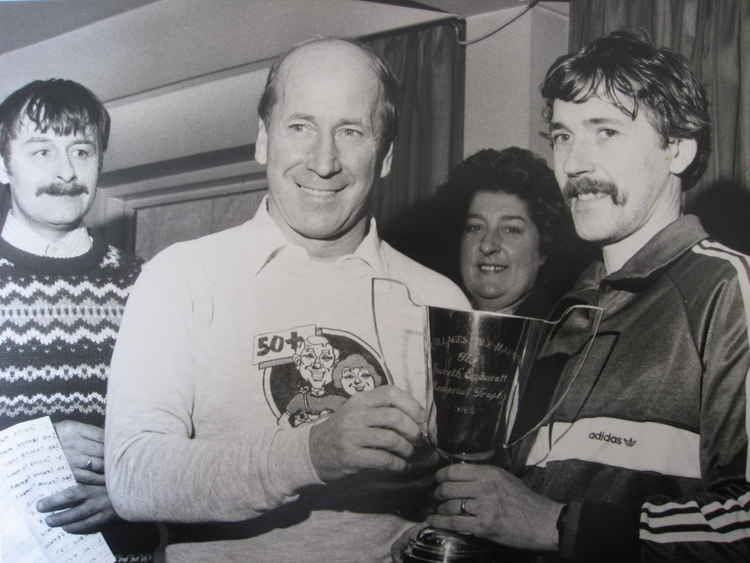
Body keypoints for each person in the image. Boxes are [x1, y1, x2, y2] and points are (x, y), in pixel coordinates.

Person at [104, 37, 469, 563]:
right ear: (262, 141)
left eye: (351, 131)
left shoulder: (440, 301)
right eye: (300, 127)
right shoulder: (180, 278)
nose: (324, 162)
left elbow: (459, 489)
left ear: (385, 156)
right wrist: (311, 454)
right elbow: (133, 477)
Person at [416, 30, 750, 562]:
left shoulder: (729, 290)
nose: (573, 165)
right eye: (563, 137)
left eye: (606, 132)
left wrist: (554, 524)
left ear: (678, 149)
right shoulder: (567, 307)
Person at [0, 79, 158, 560]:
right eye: (41, 151)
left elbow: (188, 430)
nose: (66, 171)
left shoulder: (149, 285)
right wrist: (31, 455)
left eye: (82, 151)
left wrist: (132, 491)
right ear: (3, 164)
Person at [450, 147, 582, 317]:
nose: (488, 245)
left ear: (543, 248)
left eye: (511, 229)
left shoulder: (567, 332)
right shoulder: (426, 316)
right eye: (475, 227)